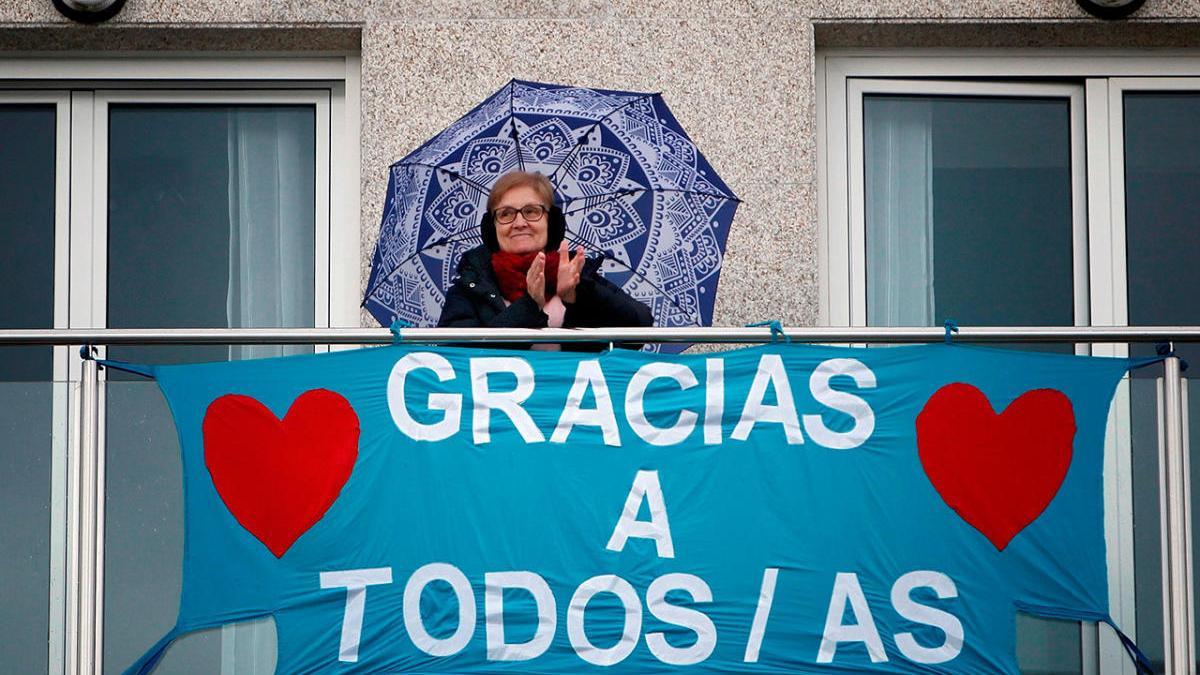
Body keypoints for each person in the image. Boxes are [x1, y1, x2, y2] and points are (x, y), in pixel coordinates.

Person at [437, 170, 652, 349]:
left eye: (532, 211)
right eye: (505, 214)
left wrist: (580, 294)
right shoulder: (470, 286)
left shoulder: (576, 274)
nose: (519, 222)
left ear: (552, 223)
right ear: (492, 228)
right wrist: (530, 305)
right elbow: (453, 355)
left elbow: (640, 326)